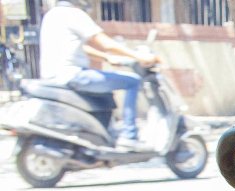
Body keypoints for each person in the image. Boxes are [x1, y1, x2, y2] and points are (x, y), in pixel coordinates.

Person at [39, 0, 158, 148]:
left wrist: (106, 58)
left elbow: (81, 48)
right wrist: (138, 56)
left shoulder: (51, 15)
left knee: (105, 88)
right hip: (73, 75)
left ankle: (107, 131)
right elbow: (105, 43)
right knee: (132, 81)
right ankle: (129, 135)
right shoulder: (74, 14)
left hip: (55, 77)